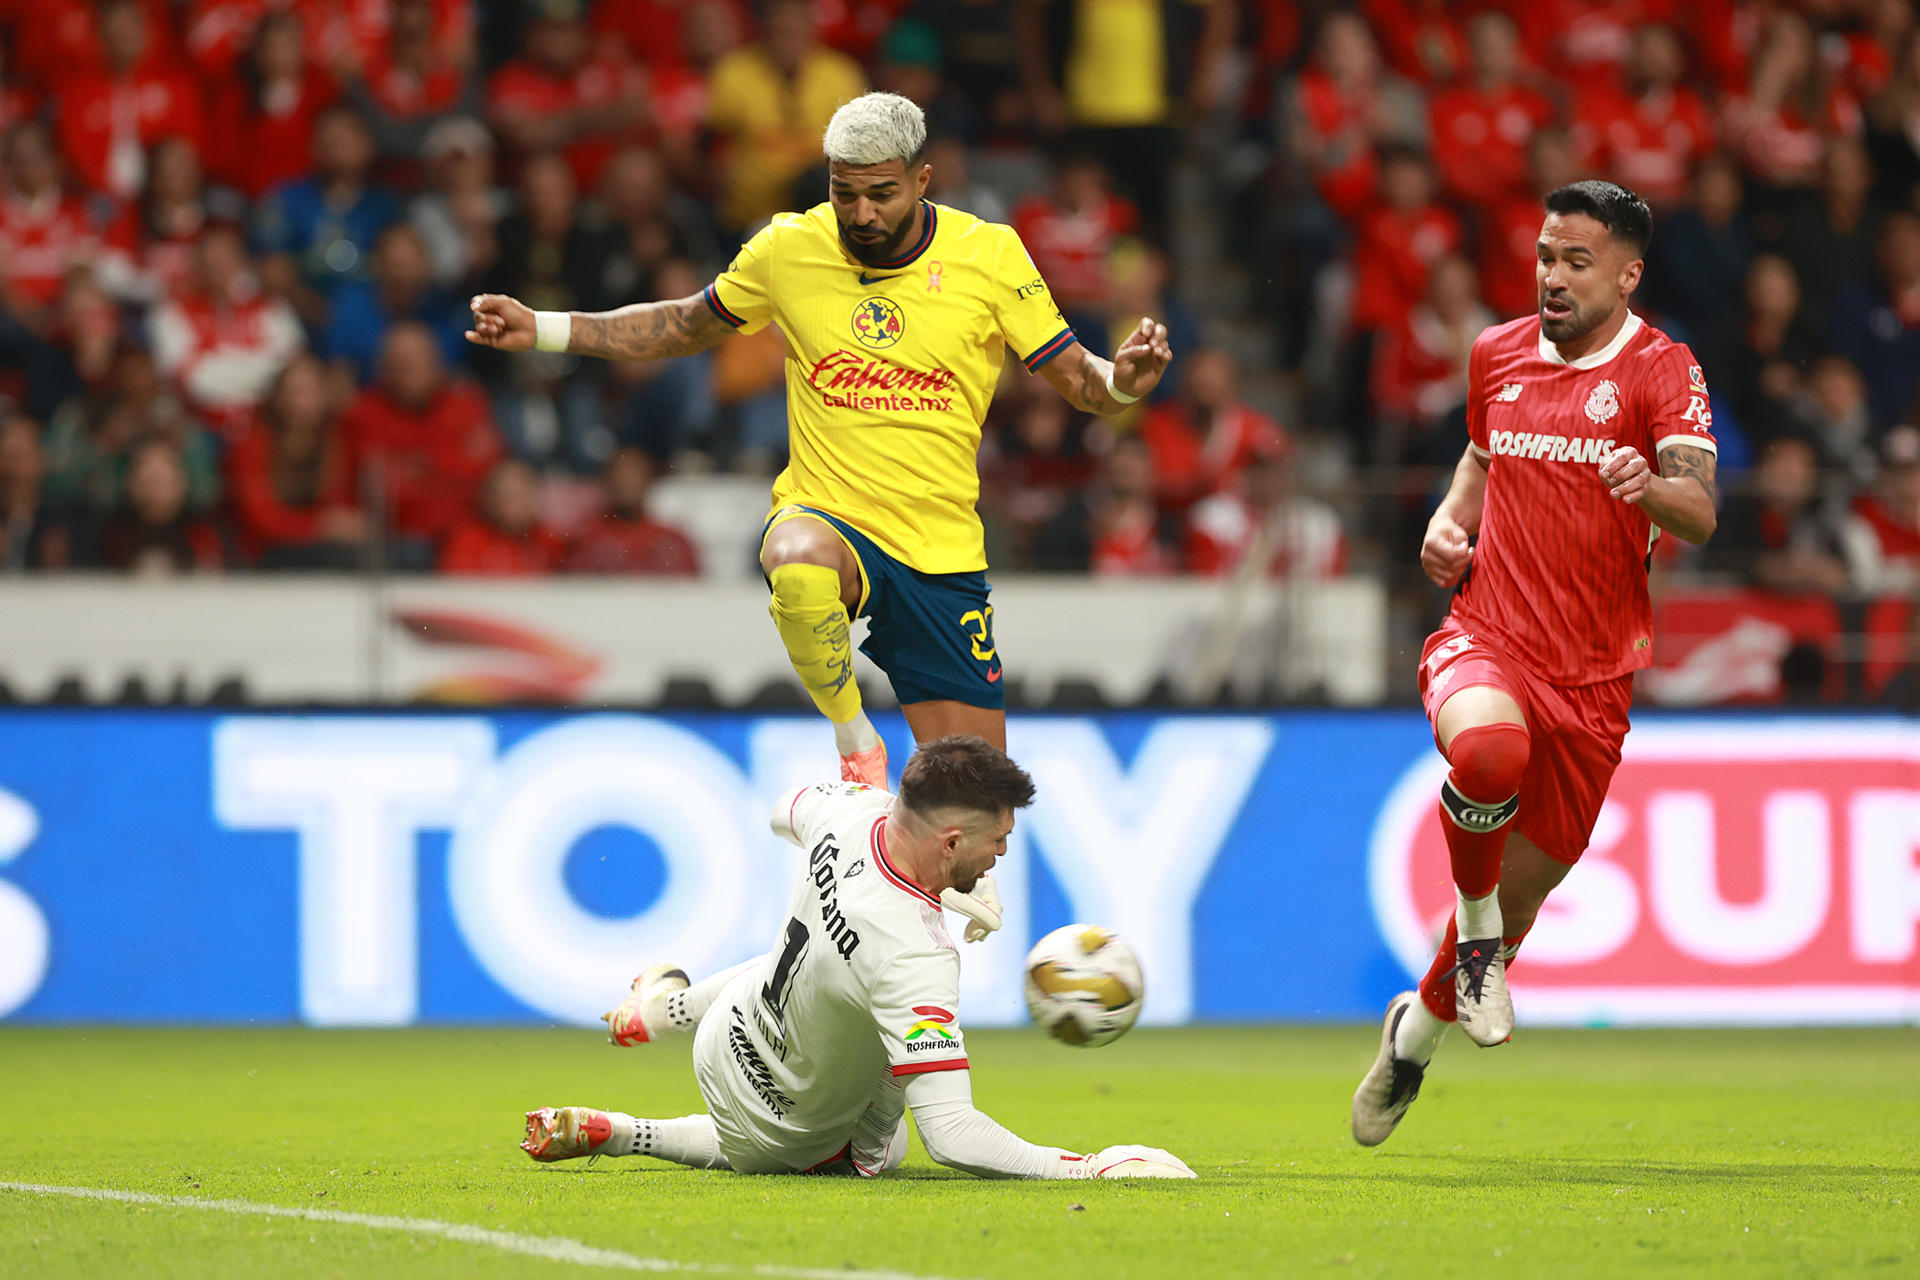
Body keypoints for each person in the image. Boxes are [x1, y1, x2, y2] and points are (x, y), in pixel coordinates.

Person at [467, 92, 1172, 786]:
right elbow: (686, 323)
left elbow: (1080, 380)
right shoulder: (788, 248)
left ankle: (944, 887)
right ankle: (855, 740)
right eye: (846, 193)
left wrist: (1126, 383)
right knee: (796, 563)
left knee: (978, 813)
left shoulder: (989, 256)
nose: (862, 213)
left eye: (882, 195)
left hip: (938, 552)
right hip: (829, 514)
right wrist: (547, 327)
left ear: (922, 181)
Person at [1352, 181, 1719, 1146]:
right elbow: (1482, 456)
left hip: (1595, 677)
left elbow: (1702, 509)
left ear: (1627, 274)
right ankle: (1476, 938)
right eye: (1546, 258)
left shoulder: (1662, 373)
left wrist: (1651, 488)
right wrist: (1447, 519)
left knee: (1520, 903)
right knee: (1486, 759)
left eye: (1576, 262)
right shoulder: (1496, 351)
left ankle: (1415, 1035)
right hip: (1489, 634)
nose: (1551, 278)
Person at [520, 734, 1195, 1182]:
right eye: (997, 840)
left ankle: (658, 1012)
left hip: (723, 1037)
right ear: (953, 839)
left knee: (809, 954)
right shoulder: (917, 956)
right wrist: (1094, 1168)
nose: (1003, 856)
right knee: (887, 1126)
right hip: (783, 1132)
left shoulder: (850, 810)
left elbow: (784, 811)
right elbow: (953, 1135)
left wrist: (940, 881)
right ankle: (628, 1133)